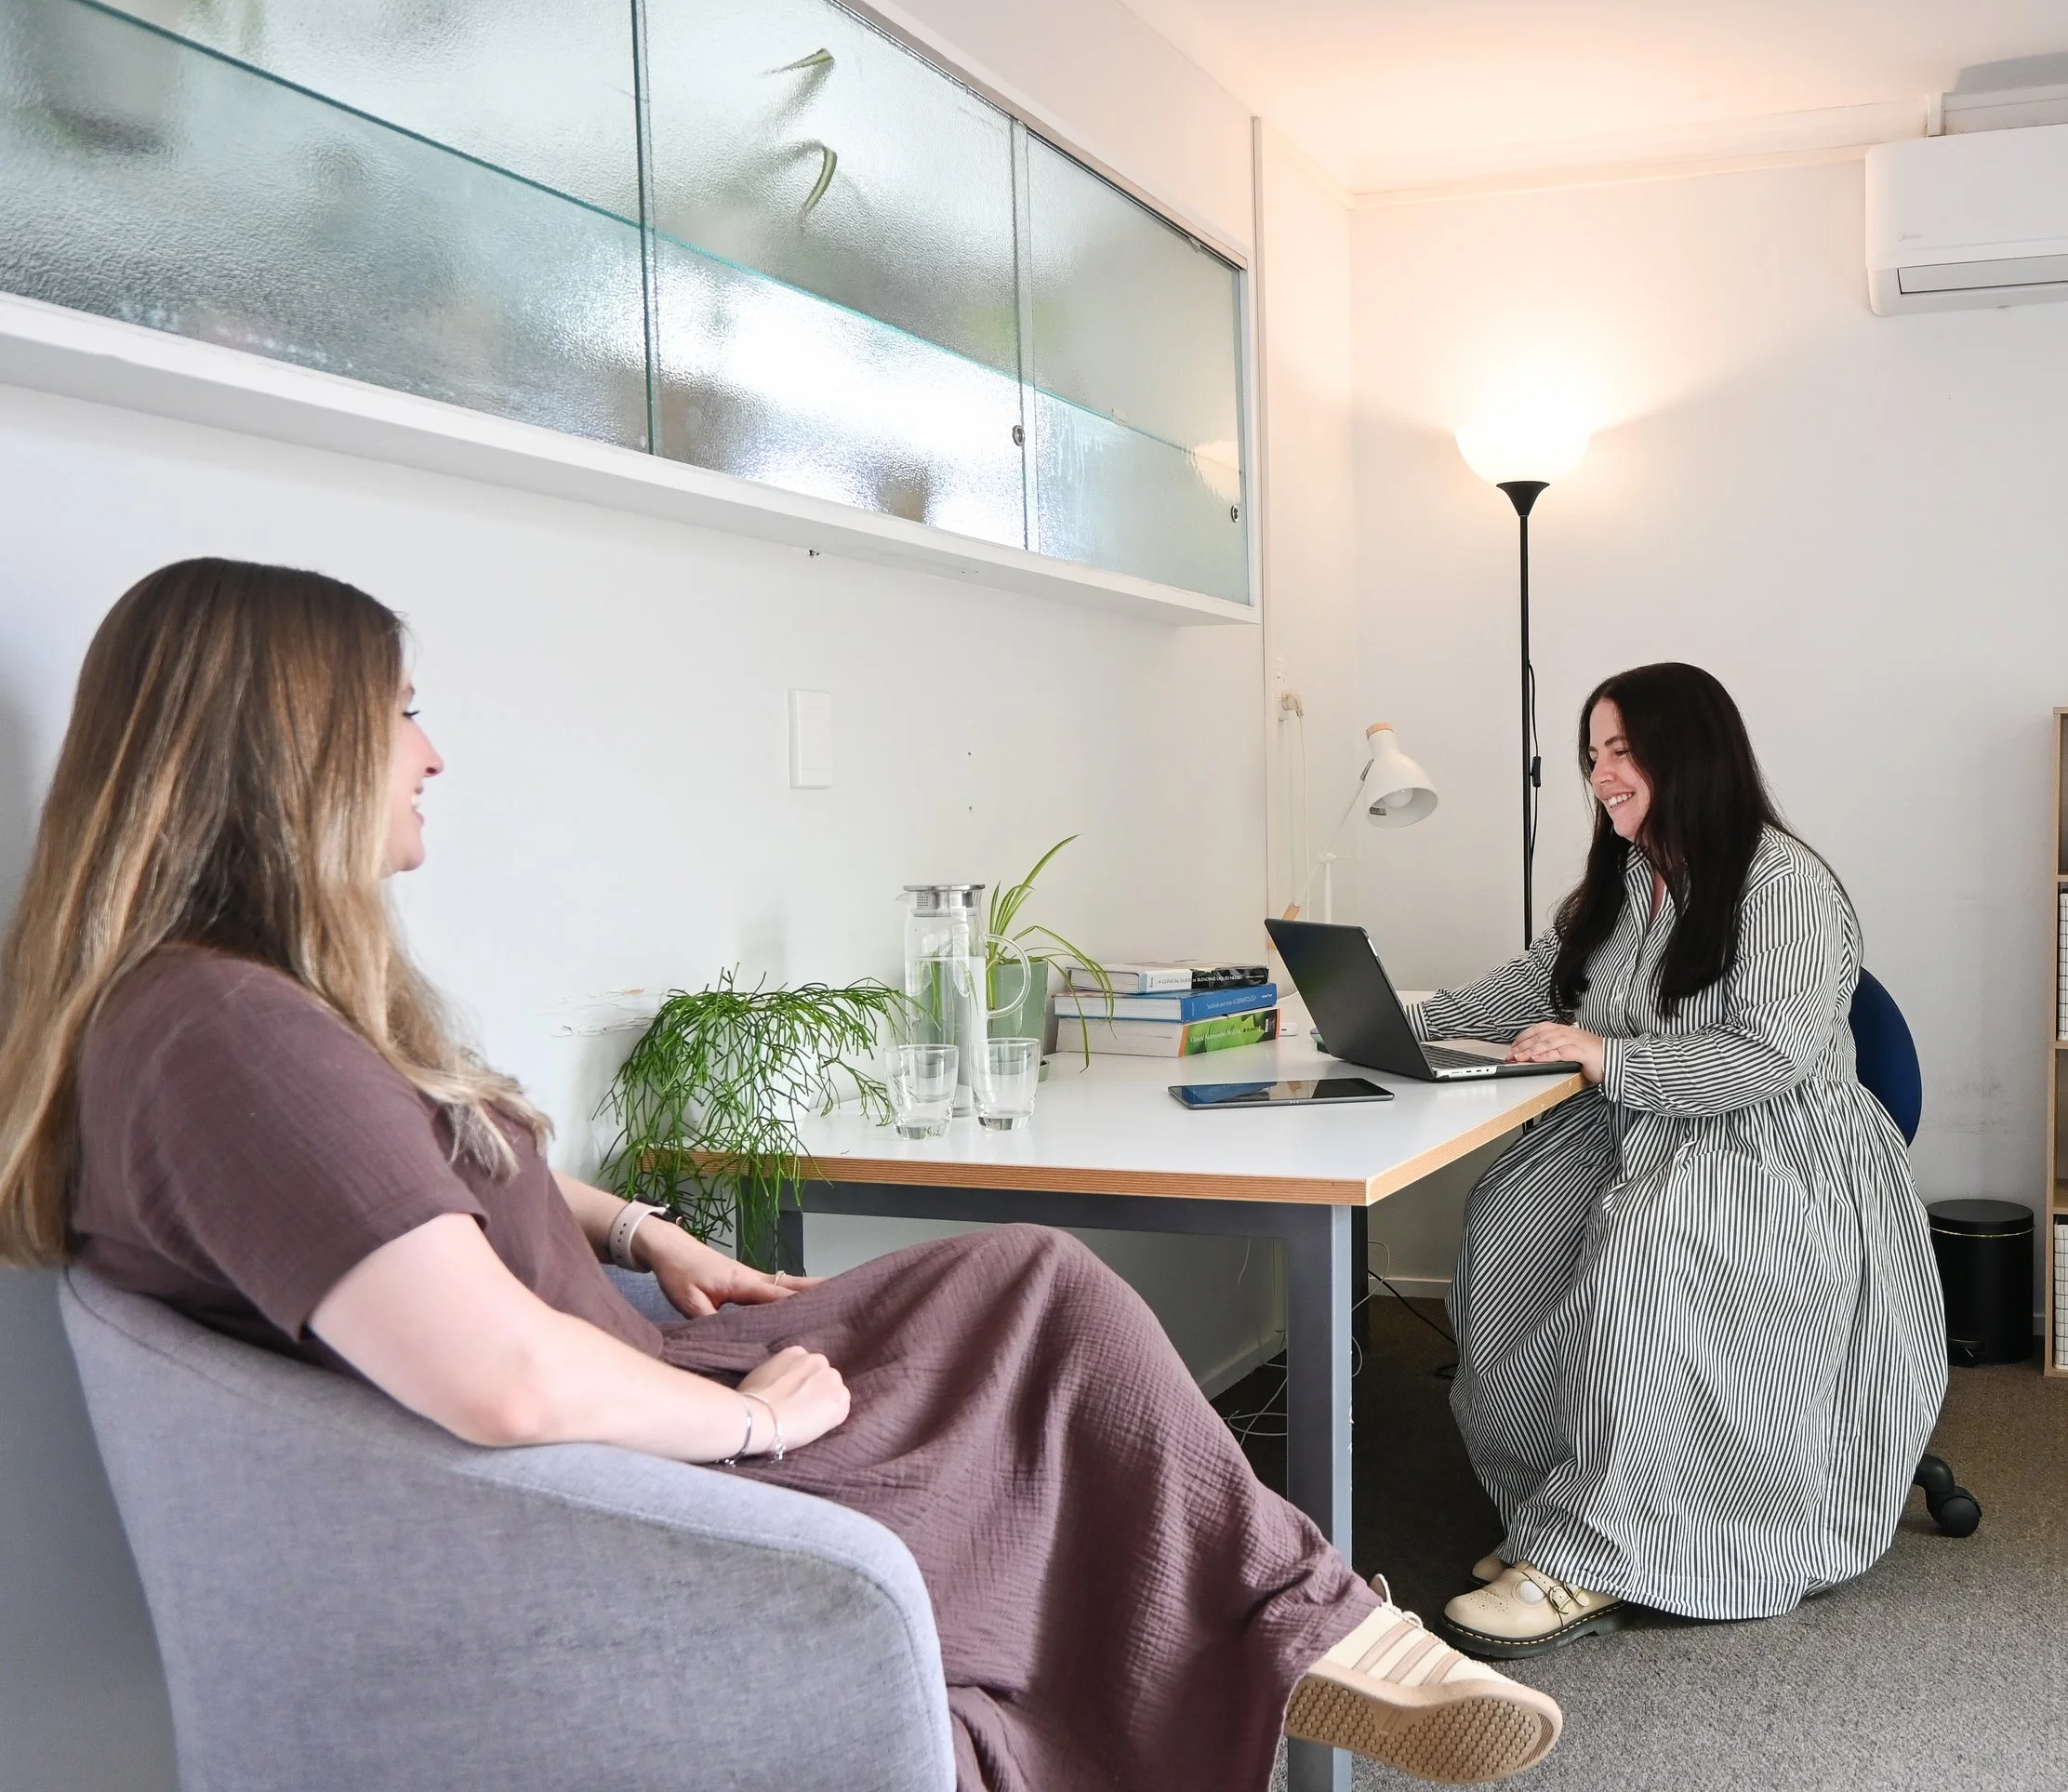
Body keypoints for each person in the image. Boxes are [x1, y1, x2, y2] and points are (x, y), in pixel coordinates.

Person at [0, 558, 1566, 1792]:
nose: (432, 752)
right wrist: (751, 1418)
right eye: (401, 710)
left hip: (632, 1362)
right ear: (284, 743)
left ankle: (1309, 1624)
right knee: (1044, 1325)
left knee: (1025, 1280)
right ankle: (1310, 1630)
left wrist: (635, 1224)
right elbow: (497, 1383)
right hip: (637, 1470)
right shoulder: (227, 1042)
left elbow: (411, 1192)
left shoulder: (224, 1018)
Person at [1418, 663, 1948, 1656]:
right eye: (1591, 755)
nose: (1601, 774)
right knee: (1509, 1221)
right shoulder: (1625, 881)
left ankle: (1599, 1552)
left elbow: (1765, 1055)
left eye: (1621, 751)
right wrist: (1391, 1021)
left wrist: (1600, 1053)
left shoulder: (1784, 883)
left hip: (1772, 1140)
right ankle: (1554, 1504)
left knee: (1651, 1245)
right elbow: (1529, 988)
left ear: (1687, 753)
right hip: (1636, 1120)